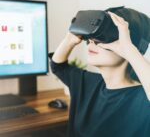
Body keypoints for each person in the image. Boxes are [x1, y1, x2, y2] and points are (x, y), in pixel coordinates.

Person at [50, 9, 150, 137]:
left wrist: (130, 50)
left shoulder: (143, 100)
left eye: (103, 36)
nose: (92, 41)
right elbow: (58, 67)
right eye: (92, 36)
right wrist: (69, 39)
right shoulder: (87, 83)